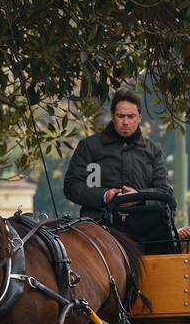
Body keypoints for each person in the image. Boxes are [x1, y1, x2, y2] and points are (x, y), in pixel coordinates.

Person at [63, 86, 173, 245]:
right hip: (97, 231)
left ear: (139, 116)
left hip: (144, 233)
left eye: (131, 116)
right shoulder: (89, 146)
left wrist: (139, 197)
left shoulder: (153, 151)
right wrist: (105, 196)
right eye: (121, 116)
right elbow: (71, 186)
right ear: (113, 116)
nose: (126, 122)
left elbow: (165, 192)